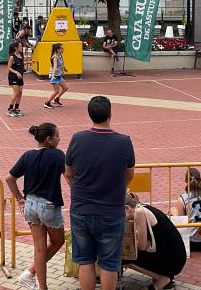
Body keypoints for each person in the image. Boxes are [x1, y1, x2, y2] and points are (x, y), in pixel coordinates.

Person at [64, 96, 135, 290]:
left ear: (90, 115)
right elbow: (129, 174)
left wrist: (79, 190)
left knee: (85, 261)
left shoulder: (78, 138)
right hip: (111, 210)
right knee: (109, 262)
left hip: (81, 209)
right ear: (110, 114)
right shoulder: (123, 141)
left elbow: (69, 172)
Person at [8, 123, 66, 290]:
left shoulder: (28, 155)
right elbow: (69, 176)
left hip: (30, 204)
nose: (59, 138)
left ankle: (41, 285)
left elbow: (9, 178)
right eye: (57, 135)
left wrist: (20, 198)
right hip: (48, 205)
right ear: (49, 139)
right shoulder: (57, 155)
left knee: (39, 248)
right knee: (58, 241)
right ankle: (30, 273)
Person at [124, 193, 187, 290]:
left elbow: (141, 246)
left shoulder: (139, 213)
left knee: (125, 256)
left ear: (127, 208)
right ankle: (160, 274)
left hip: (173, 261)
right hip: (176, 256)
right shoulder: (143, 207)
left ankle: (162, 279)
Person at [7, 41, 28, 117]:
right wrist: (16, 72)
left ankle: (16, 109)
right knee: (16, 93)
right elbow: (9, 68)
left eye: (21, 46)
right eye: (20, 46)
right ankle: (10, 109)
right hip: (13, 77)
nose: (21, 48)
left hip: (20, 77)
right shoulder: (12, 57)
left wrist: (29, 63)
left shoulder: (21, 55)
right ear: (16, 48)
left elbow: (21, 64)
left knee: (20, 93)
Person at [44, 43, 68, 109]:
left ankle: (56, 99)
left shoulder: (60, 55)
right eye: (62, 48)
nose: (63, 49)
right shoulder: (55, 57)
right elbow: (54, 67)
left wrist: (65, 69)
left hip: (59, 75)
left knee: (65, 88)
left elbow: (61, 64)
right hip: (55, 75)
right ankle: (47, 102)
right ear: (58, 49)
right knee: (56, 91)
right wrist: (53, 76)